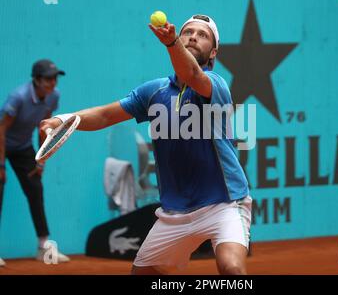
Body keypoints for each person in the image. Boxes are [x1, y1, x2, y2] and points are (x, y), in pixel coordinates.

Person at [40, 15, 252, 275]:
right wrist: (62, 120)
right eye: (188, 32)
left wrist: (173, 42)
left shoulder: (216, 85)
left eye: (203, 34)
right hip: (175, 213)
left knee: (232, 269)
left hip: (225, 203)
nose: (194, 36)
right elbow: (106, 115)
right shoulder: (154, 92)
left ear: (213, 54)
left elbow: (192, 74)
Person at [0, 59, 70, 267]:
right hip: (2, 144)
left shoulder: (53, 96)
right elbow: (1, 130)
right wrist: (1, 165)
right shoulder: (18, 97)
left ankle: (43, 246)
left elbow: (44, 125)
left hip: (22, 148)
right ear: (37, 80)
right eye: (48, 78)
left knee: (35, 189)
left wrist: (41, 159)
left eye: (55, 78)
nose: (53, 82)